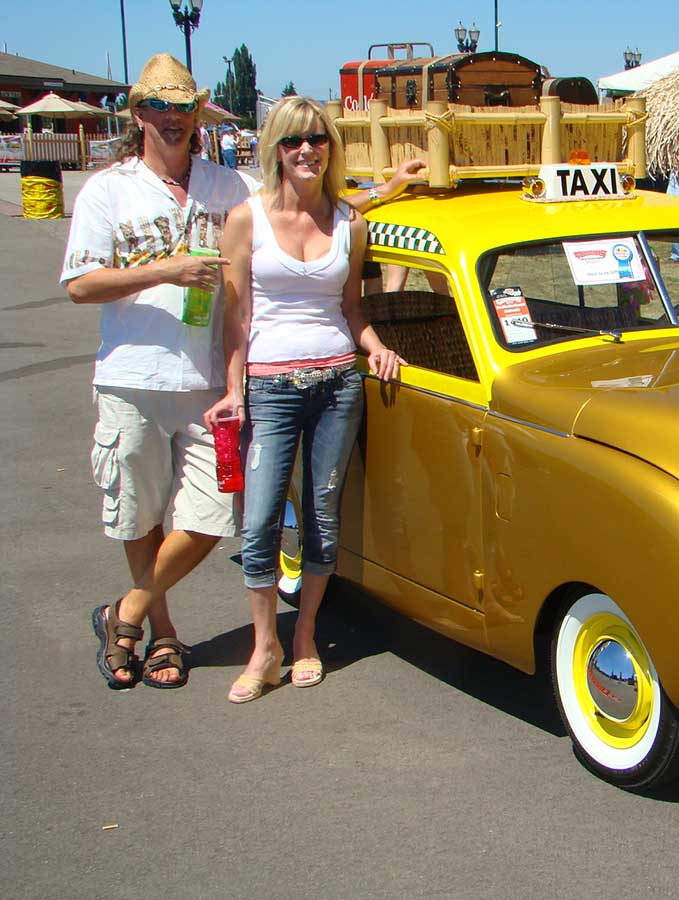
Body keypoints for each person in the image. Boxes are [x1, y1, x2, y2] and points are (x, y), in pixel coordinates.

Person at [204, 96, 417, 703]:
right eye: (294, 141)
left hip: (336, 381)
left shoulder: (350, 221)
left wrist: (375, 347)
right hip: (269, 385)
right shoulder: (246, 218)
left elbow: (351, 308)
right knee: (261, 517)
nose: (306, 151)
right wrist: (233, 388)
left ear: (331, 148)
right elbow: (237, 316)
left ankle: (306, 636)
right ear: (275, 148)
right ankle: (264, 645)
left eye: (317, 141)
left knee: (324, 514)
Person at [61, 53, 253, 689]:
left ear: (198, 114)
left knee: (210, 517)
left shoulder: (227, 187)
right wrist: (164, 271)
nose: (172, 118)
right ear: (139, 114)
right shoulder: (108, 189)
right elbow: (81, 285)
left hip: (207, 384)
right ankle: (164, 635)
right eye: (159, 107)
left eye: (183, 107)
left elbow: (294, 204)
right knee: (140, 518)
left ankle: (127, 611)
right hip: (132, 379)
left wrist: (387, 189)